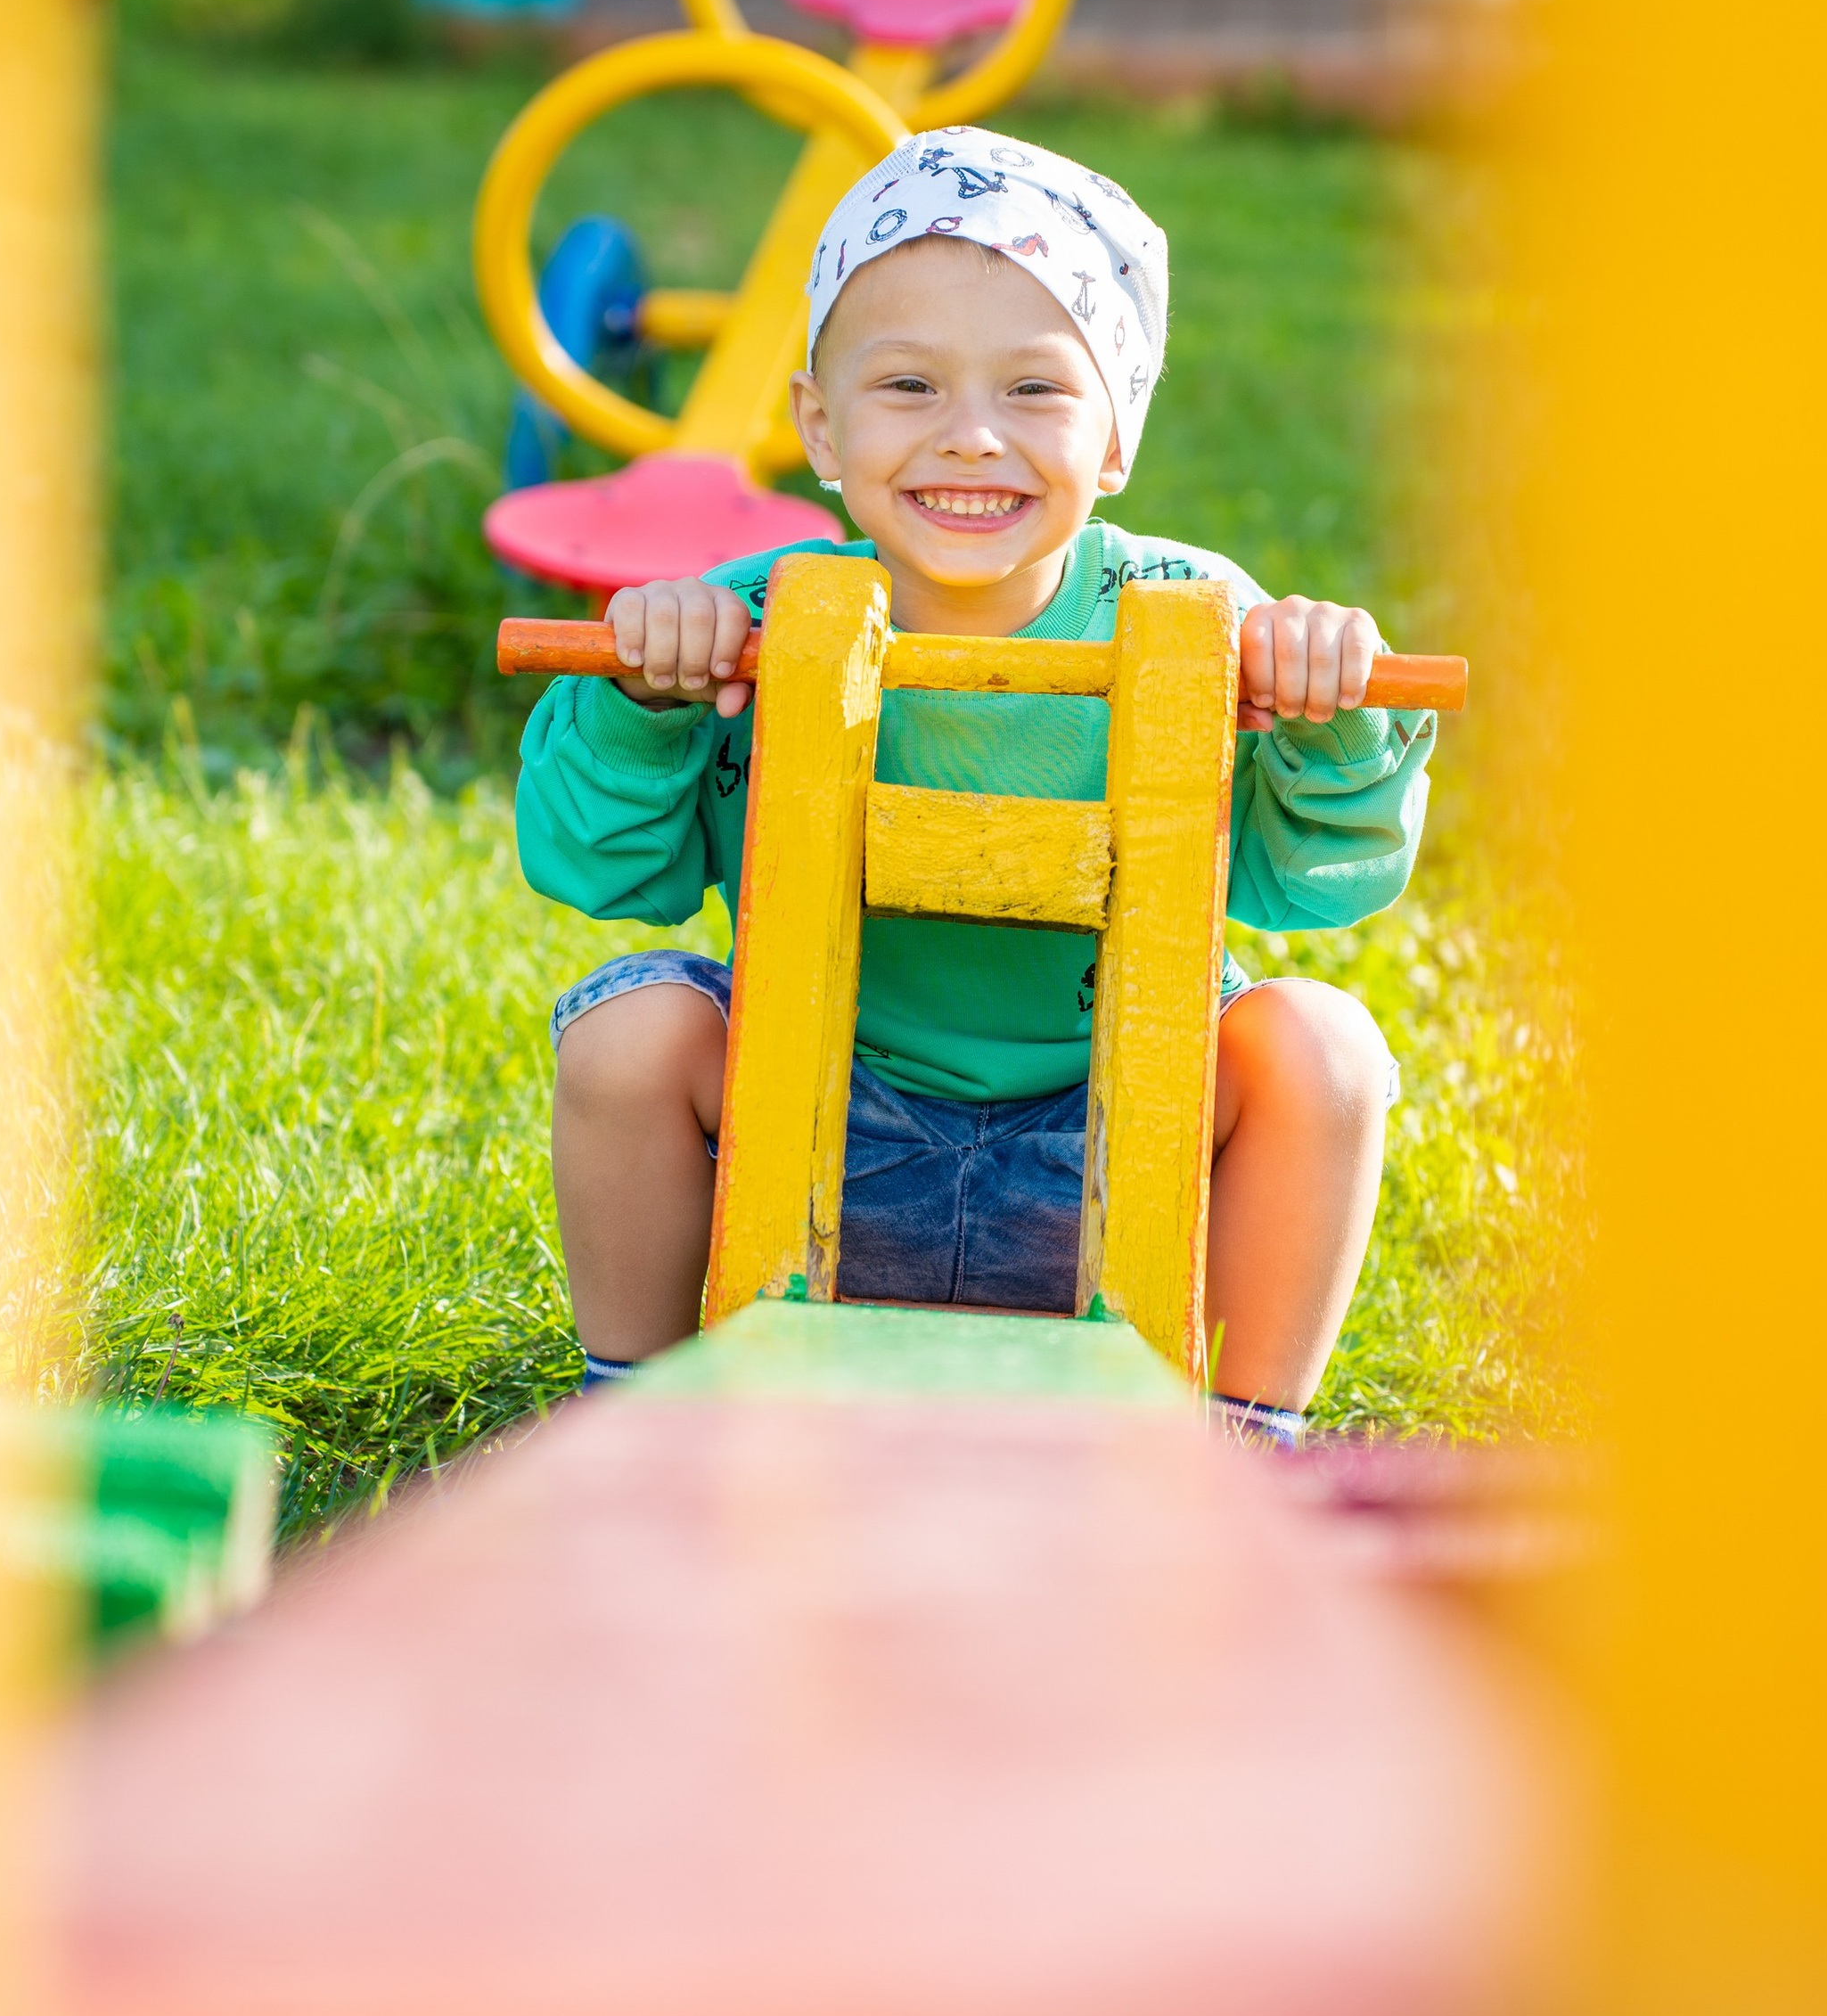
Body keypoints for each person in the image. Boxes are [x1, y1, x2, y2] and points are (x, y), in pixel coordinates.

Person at [516, 125, 1434, 1445]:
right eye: (907, 386)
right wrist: (644, 696)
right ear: (818, 424)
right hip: (818, 1115)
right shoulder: (753, 620)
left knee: (1323, 1051)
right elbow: (591, 866)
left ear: (1116, 436)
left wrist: (1325, 716)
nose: (971, 441)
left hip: (1121, 1146)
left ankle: (1243, 1445)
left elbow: (1314, 880)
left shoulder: (1193, 618)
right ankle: (638, 1425)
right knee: (629, 1032)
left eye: (1035, 391)